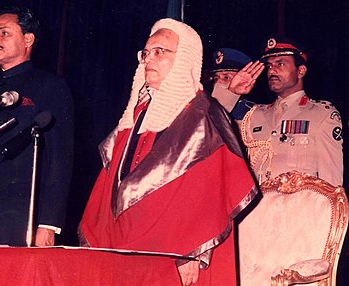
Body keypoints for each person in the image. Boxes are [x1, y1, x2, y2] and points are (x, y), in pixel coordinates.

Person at [78, 18, 258, 285]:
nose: (148, 59)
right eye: (146, 53)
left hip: (180, 250)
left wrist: (192, 254)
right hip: (128, 245)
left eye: (159, 52)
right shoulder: (137, 114)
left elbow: (212, 193)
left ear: (183, 58)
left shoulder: (204, 114)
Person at [0, 5, 74, 246]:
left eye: (4, 33)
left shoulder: (50, 86)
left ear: (28, 39)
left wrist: (49, 223)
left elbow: (60, 159)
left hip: (24, 215)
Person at [217, 35, 343, 186]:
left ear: (301, 71)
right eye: (269, 66)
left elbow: (331, 185)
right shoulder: (254, 115)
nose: (272, 71)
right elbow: (212, 129)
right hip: (260, 209)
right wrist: (231, 93)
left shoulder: (322, 115)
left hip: (299, 208)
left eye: (280, 64)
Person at [210, 48, 254, 120]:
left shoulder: (249, 114)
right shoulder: (205, 108)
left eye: (226, 78)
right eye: (216, 78)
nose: (217, 83)